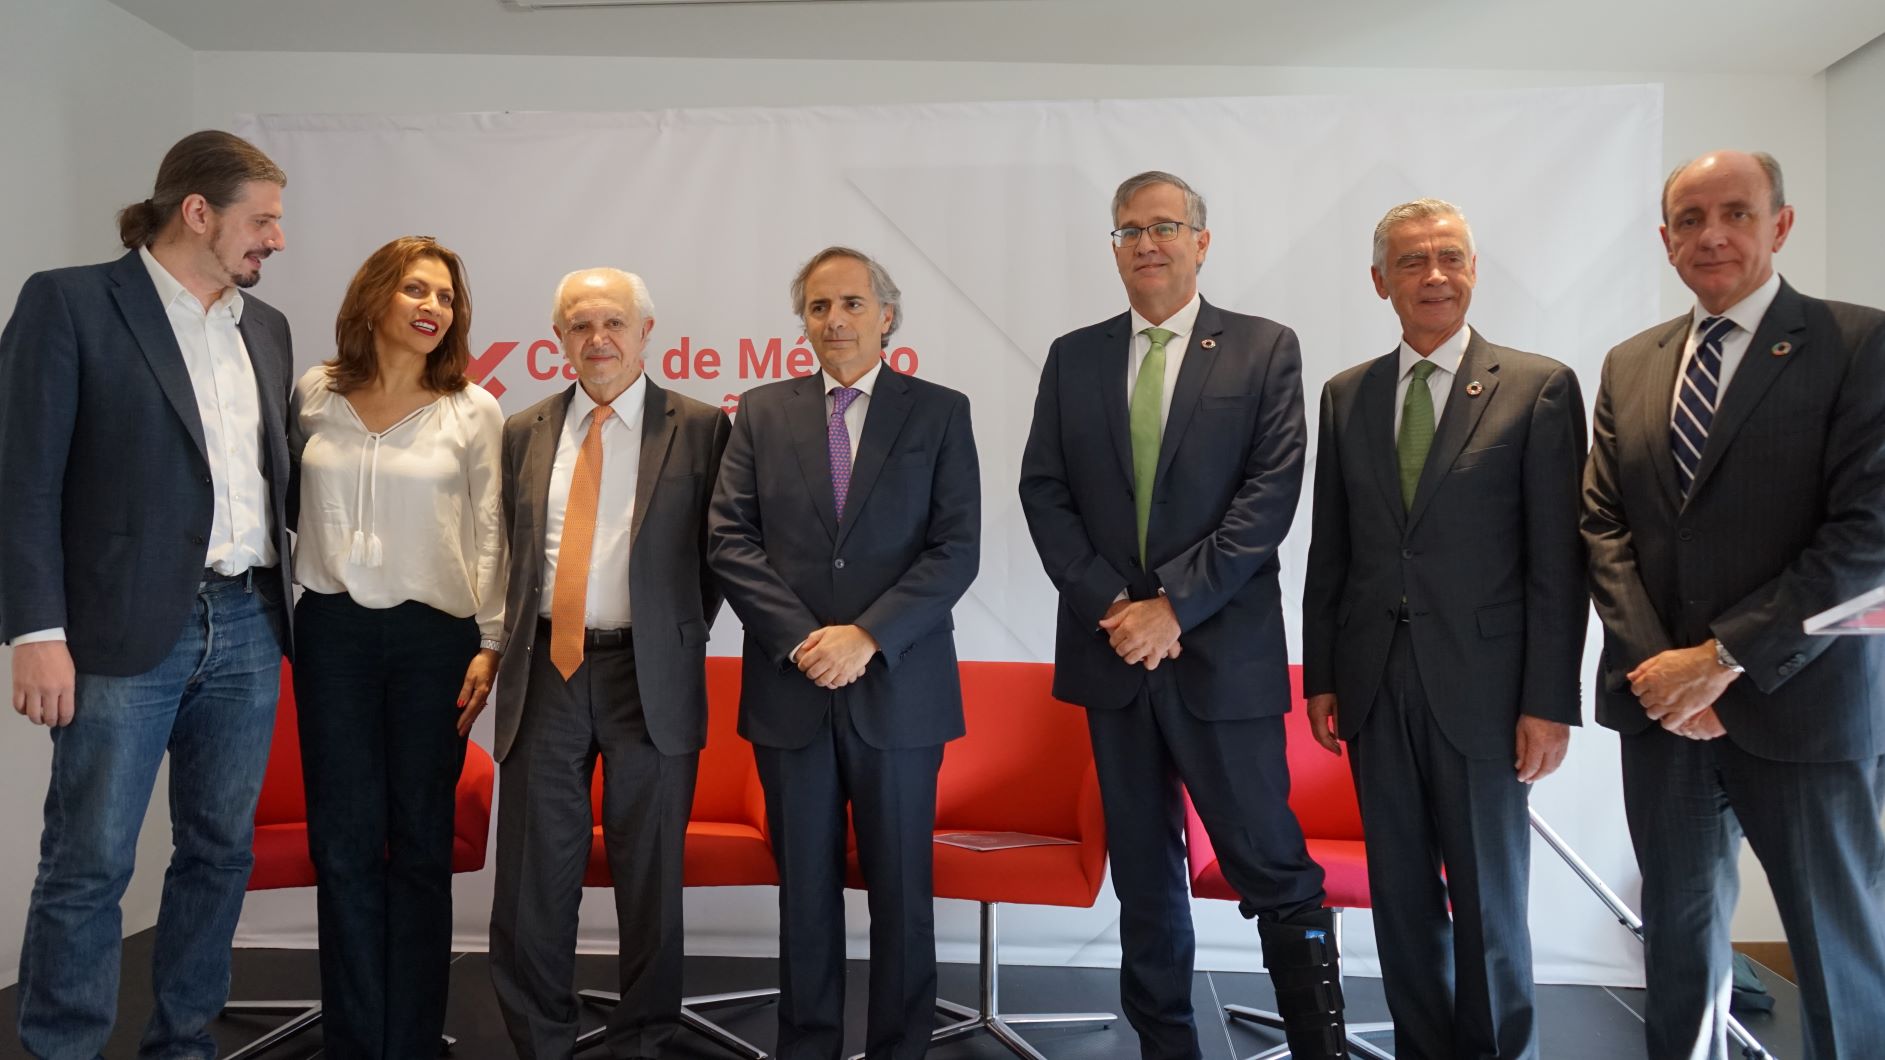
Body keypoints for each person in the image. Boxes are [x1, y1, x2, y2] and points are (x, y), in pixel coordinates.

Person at [1018, 170, 1346, 1059]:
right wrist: (1114, 606)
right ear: (1115, 247)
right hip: (1110, 654)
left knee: (1269, 860)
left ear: (1201, 241)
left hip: (1220, 656)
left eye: (1164, 226)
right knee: (1145, 873)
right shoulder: (1073, 355)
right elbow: (1042, 492)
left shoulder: (1262, 347)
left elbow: (1268, 498)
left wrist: (1174, 606)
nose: (1146, 243)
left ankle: (1321, 1046)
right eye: (1128, 230)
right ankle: (1166, 1047)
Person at [1584, 149, 1885, 1060]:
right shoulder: (1631, 362)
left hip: (1804, 706)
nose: (1711, 234)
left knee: (1836, 948)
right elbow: (1602, 526)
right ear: (1666, 239)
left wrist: (1718, 662)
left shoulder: (1859, 344)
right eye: (1689, 219)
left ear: (1778, 224)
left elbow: (1865, 537)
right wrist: (1663, 678)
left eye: (1736, 213)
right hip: (1663, 717)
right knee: (1674, 949)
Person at [0, 130, 294, 1058]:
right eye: (264, 220)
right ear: (197, 212)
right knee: (88, 866)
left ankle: (184, 1045)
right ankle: (61, 1049)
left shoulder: (268, 327)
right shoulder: (72, 302)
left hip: (247, 624)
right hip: (118, 634)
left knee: (219, 856)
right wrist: (35, 630)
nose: (276, 240)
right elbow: (23, 477)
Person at [1301, 198, 1585, 1059]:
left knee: (1490, 905)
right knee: (1403, 904)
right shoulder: (1346, 394)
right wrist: (1322, 674)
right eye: (1414, 261)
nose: (1435, 275)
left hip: (1488, 696)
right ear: (1379, 280)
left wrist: (1548, 702)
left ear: (1470, 270)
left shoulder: (1536, 388)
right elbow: (1332, 548)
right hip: (1376, 687)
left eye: (1451, 257)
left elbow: (1557, 564)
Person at [709, 246, 980, 1060]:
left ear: (886, 316)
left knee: (902, 894)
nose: (835, 321)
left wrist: (866, 637)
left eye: (853, 305)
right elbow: (730, 540)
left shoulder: (937, 412)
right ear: (803, 321)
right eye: (819, 307)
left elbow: (953, 549)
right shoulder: (759, 412)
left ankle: (901, 1048)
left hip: (899, 691)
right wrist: (802, 642)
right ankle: (808, 1047)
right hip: (790, 692)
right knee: (806, 900)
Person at [487, 268, 731, 1060]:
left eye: (614, 323)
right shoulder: (523, 429)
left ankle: (645, 1040)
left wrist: (668, 632)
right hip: (546, 672)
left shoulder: (700, 427)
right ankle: (541, 1042)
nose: (598, 340)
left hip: (647, 675)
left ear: (646, 331)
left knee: (651, 874)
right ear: (558, 338)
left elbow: (718, 558)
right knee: (533, 879)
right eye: (580, 325)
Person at [289, 234, 504, 1058]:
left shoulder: (470, 407)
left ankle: (411, 1039)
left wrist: (490, 641)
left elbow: (493, 531)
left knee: (419, 842)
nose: (432, 308)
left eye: (446, 297)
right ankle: (354, 1037)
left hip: (436, 640)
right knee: (341, 844)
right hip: (334, 632)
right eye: (416, 290)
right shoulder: (315, 393)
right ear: (375, 297)